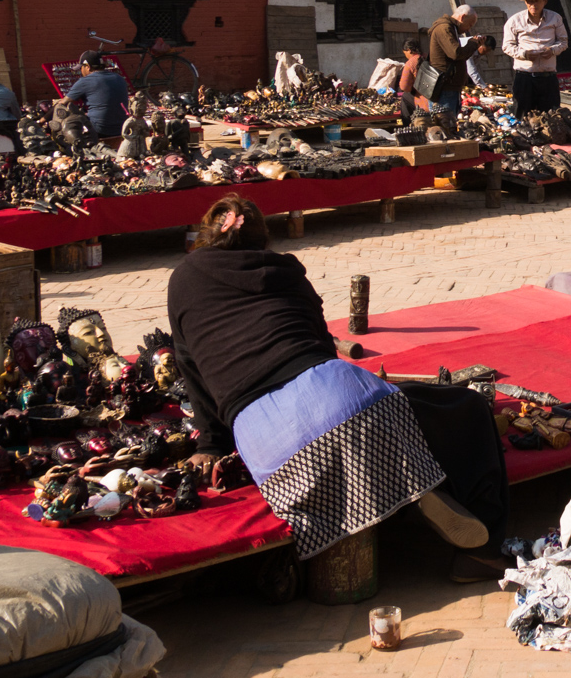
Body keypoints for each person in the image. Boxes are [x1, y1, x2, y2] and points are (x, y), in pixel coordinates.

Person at [168, 195, 505, 582]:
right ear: (263, 241)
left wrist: (211, 443)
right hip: (337, 395)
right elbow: (321, 343)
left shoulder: (182, 279)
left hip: (262, 437)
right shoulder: (285, 269)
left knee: (353, 432)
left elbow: (190, 367)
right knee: (465, 408)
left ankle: (396, 489)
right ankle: (481, 550)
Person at [503, 0, 569, 116]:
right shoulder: (515, 21)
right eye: (530, 1)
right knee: (522, 117)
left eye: (537, 1)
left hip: (548, 77)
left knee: (551, 117)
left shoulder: (555, 18)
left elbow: (563, 42)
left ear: (545, 1)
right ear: (526, 2)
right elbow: (507, 46)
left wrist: (552, 50)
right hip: (524, 77)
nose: (533, 5)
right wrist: (524, 54)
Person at [426, 5, 481, 120]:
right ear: (462, 17)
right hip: (444, 87)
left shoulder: (451, 29)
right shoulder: (444, 28)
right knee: (445, 124)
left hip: (449, 86)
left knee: (449, 123)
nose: (468, 29)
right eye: (469, 24)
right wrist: (473, 43)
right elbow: (456, 54)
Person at [66, 52, 129, 140]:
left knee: (66, 117)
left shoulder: (85, 81)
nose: (81, 71)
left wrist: (41, 121)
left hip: (100, 130)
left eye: (81, 67)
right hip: (122, 128)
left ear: (87, 66)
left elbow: (63, 103)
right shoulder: (119, 78)